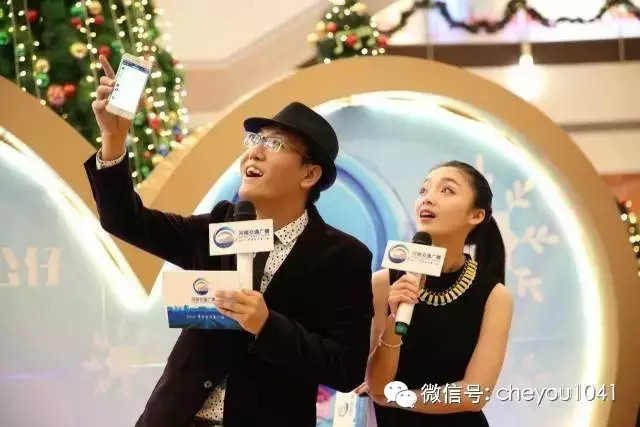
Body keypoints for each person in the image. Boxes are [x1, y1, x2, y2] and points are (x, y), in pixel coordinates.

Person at [84, 55, 373, 427]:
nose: (254, 151)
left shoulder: (342, 257)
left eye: (275, 144)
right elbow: (125, 220)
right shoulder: (223, 224)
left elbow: (346, 368)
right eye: (255, 140)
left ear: (309, 174)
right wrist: (114, 139)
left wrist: (267, 325)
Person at [364, 161, 513, 426]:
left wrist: (402, 399)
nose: (428, 198)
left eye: (447, 191)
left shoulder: (494, 295)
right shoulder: (384, 283)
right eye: (424, 190)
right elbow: (377, 385)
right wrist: (394, 320)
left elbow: (474, 394)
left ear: (476, 215)